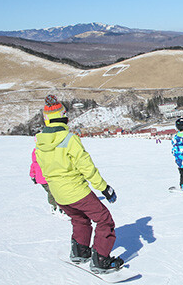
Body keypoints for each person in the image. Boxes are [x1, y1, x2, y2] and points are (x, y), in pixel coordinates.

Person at [34, 95, 123, 273]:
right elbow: (86, 167)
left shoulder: (40, 143)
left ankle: (80, 251)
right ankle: (101, 260)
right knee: (104, 219)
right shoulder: (69, 139)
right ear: (64, 117)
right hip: (76, 191)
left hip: (58, 194)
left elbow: (42, 169)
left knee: (79, 218)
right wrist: (104, 188)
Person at [30, 148, 61, 213]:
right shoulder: (42, 159)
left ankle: (56, 205)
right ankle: (55, 205)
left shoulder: (35, 162)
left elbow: (32, 169)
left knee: (52, 192)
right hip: (46, 179)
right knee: (52, 192)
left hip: (44, 179)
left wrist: (33, 176)